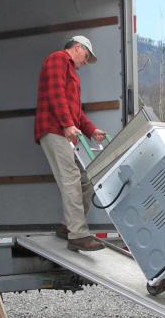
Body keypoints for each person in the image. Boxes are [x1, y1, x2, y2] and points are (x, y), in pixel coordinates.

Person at [35, 36, 106, 251]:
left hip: (65, 132)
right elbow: (56, 95)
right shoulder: (58, 59)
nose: (86, 62)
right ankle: (78, 235)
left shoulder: (72, 74)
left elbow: (76, 111)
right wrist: (67, 124)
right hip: (54, 130)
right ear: (77, 48)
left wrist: (91, 130)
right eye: (86, 56)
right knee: (72, 178)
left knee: (86, 181)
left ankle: (68, 227)